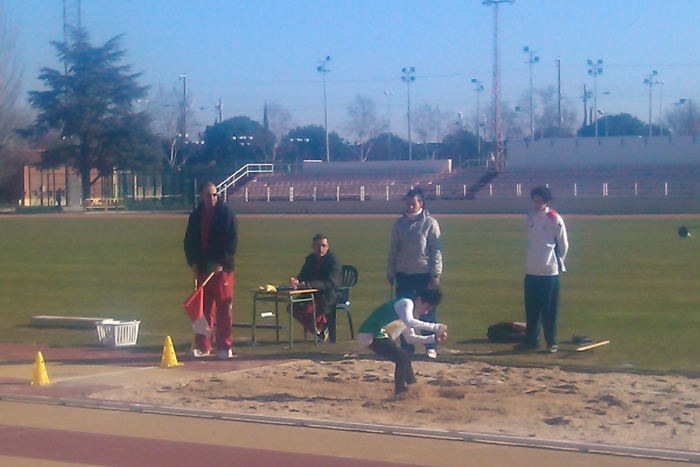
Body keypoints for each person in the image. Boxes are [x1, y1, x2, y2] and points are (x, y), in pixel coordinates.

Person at [386, 187, 443, 359]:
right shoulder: (399, 224)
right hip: (403, 274)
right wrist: (391, 271)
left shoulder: (430, 223)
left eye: (413, 204)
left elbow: (436, 250)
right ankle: (406, 346)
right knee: (404, 313)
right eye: (408, 204)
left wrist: (436, 272)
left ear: (421, 203)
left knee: (426, 311)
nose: (410, 207)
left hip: (423, 274)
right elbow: (393, 250)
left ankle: (430, 345)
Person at [357, 288, 448, 395]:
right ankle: (400, 391)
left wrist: (433, 338)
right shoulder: (406, 303)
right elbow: (410, 322)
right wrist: (436, 327)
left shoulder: (406, 315)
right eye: (426, 307)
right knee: (402, 357)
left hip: (375, 334)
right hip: (370, 333)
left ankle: (412, 387)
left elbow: (410, 338)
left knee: (404, 357)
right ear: (419, 299)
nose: (426, 311)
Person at [184, 181, 238, 360]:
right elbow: (189, 241)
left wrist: (222, 261)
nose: (212, 198)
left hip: (221, 269)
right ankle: (203, 345)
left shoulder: (225, 213)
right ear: (201, 196)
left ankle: (224, 346)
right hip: (203, 268)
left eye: (215, 195)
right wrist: (193, 262)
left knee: (224, 308)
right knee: (202, 309)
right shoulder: (196, 215)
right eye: (209, 195)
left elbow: (231, 240)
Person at [516, 186, 569, 354]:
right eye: (534, 200)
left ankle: (551, 342)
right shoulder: (530, 217)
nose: (536, 204)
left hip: (549, 271)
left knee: (549, 310)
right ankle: (531, 340)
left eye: (540, 201)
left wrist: (559, 261)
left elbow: (563, 244)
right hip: (531, 270)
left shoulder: (554, 219)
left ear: (546, 202)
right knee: (531, 309)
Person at [289, 234, 342, 342]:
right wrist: (296, 280)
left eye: (323, 246)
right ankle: (318, 330)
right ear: (313, 247)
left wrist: (309, 284)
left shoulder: (333, 261)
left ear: (328, 247)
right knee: (292, 307)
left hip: (327, 295)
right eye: (317, 246)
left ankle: (321, 328)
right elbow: (303, 274)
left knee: (308, 309)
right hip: (311, 293)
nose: (320, 249)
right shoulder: (311, 259)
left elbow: (330, 283)